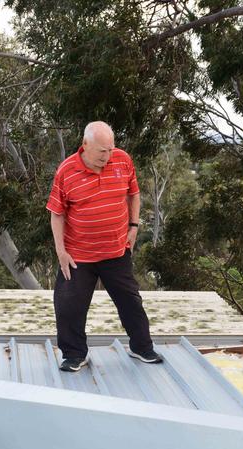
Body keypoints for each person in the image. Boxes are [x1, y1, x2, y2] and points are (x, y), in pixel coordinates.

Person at [46, 121, 161, 372]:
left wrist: (134, 226)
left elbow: (134, 193)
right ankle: (75, 355)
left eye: (110, 149)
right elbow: (57, 214)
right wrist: (60, 252)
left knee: (131, 301)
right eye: (101, 151)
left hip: (116, 250)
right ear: (85, 145)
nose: (107, 157)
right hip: (78, 255)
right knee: (68, 305)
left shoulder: (122, 160)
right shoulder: (66, 171)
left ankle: (141, 347)